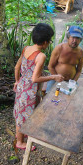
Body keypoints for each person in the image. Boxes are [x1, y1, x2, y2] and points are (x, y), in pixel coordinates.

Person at [14, 23, 64, 151]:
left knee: (21, 115)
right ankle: (20, 142)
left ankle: (21, 134)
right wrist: (54, 77)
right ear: (45, 42)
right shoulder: (40, 56)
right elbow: (35, 78)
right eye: (50, 41)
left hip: (21, 88)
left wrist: (17, 81)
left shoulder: (26, 48)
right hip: (29, 92)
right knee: (23, 118)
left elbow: (17, 67)